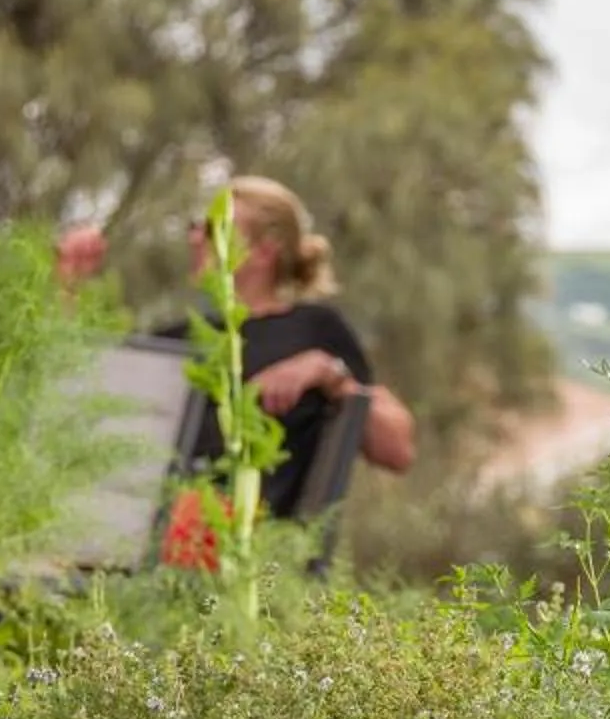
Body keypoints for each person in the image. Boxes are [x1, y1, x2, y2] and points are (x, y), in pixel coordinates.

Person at [58, 176, 417, 532]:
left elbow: (397, 450)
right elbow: (81, 391)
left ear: (263, 251)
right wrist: (69, 284)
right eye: (195, 226)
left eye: (212, 228)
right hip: (155, 531)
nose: (195, 238)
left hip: (250, 540)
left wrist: (328, 374)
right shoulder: (184, 338)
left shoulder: (314, 329)